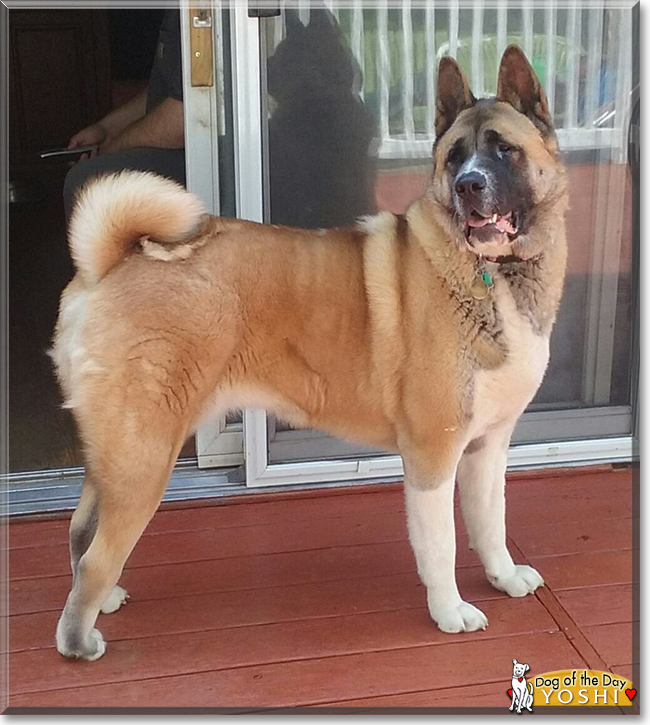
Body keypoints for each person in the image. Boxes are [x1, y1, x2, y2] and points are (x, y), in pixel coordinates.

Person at [63, 10, 185, 218]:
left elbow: (181, 119)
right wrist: (107, 129)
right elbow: (165, 91)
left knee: (86, 181)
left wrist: (114, 147)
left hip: (207, 158)